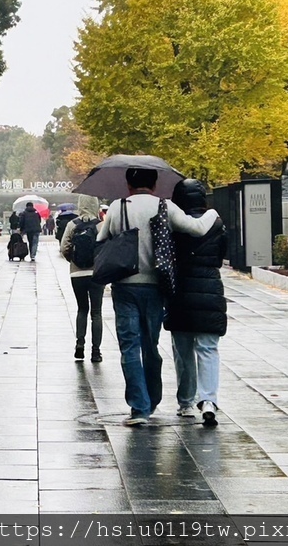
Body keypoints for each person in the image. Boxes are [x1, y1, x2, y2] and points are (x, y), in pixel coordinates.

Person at [96, 168, 220, 426]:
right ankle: (153, 399)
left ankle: (139, 408)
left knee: (129, 346)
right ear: (154, 184)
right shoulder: (165, 206)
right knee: (149, 345)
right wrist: (212, 212)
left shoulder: (118, 207)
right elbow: (196, 229)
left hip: (124, 286)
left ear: (128, 184)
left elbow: (101, 239)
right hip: (154, 287)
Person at [165, 179, 228, 427]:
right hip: (210, 288)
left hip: (180, 290)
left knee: (183, 351)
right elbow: (221, 255)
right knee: (208, 348)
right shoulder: (217, 223)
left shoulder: (174, 224)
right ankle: (209, 400)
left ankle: (185, 403)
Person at [60, 194, 104, 363]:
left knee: (82, 309)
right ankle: (96, 351)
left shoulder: (72, 224)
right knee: (97, 313)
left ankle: (80, 343)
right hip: (96, 274)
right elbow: (107, 246)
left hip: (77, 274)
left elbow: (64, 247)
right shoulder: (100, 225)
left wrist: (73, 260)